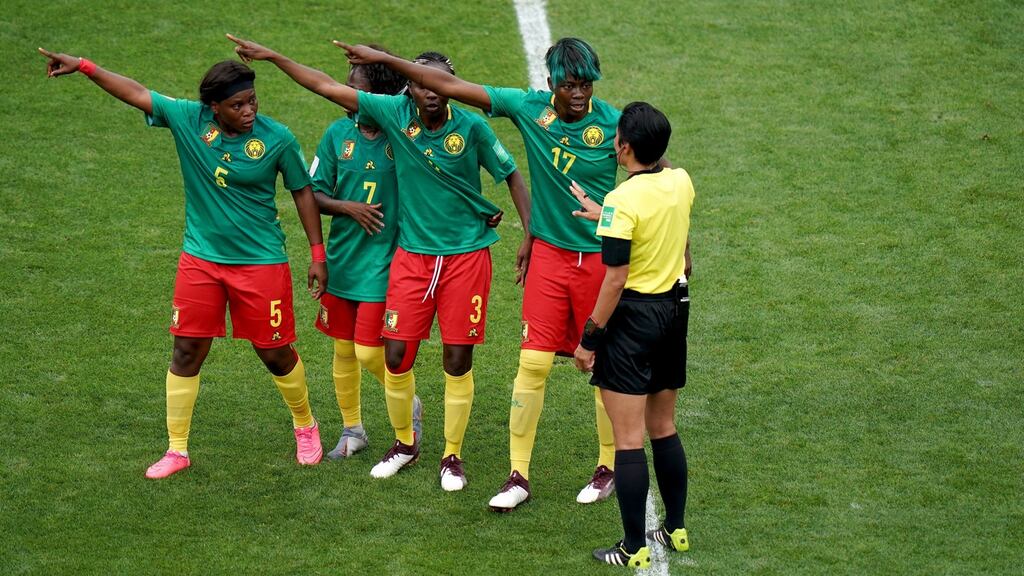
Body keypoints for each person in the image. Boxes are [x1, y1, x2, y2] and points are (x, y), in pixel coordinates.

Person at [227, 35, 531, 492]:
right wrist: (274, 55)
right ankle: (405, 444)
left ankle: (451, 456)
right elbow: (327, 88)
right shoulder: (394, 118)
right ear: (407, 89)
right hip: (412, 258)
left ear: (453, 86)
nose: (432, 91)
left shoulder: (471, 128)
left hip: (466, 258)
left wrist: (529, 233)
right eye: (422, 83)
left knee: (456, 357)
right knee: (392, 354)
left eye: (442, 83)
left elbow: (510, 175)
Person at [339, 37, 630, 510]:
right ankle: (518, 476)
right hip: (550, 260)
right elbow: (451, 85)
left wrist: (677, 244)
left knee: (601, 364)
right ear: (551, 84)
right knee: (531, 365)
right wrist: (389, 62)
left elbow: (657, 172)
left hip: (600, 262)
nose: (580, 94)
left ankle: (607, 467)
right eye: (570, 85)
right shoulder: (527, 107)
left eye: (587, 85)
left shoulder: (615, 122)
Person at [37, 48, 329, 479]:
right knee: (187, 350)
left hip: (261, 263)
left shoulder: (278, 139)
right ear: (213, 108)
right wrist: (85, 66)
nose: (248, 111)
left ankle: (305, 424)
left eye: (252, 101)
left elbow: (302, 191)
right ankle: (177, 450)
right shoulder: (189, 120)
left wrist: (317, 255)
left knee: (274, 352)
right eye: (237, 105)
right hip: (202, 261)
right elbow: (135, 92)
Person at [570, 102, 693, 568]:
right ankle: (676, 529)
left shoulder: (623, 201)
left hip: (634, 317)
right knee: (664, 428)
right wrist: (604, 213)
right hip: (674, 310)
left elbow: (615, 279)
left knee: (627, 440)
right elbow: (675, 241)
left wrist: (589, 339)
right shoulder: (681, 181)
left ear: (624, 147)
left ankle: (633, 547)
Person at [307, 48, 420, 460]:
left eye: (354, 90)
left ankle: (408, 402)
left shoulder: (403, 137)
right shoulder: (337, 135)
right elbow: (312, 193)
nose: (345, 97)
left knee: (369, 351)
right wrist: (346, 207)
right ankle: (352, 431)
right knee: (341, 349)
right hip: (342, 259)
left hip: (384, 261)